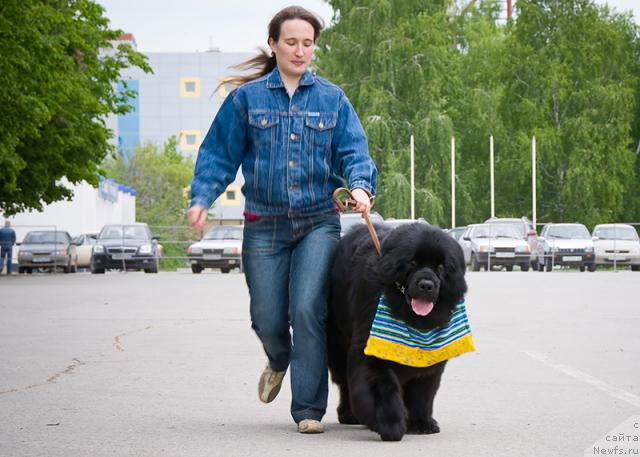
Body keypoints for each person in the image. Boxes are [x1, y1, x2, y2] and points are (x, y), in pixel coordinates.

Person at [187, 6, 377, 434]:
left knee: (308, 309)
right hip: (264, 224)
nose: (299, 50)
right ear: (273, 44)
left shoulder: (333, 99)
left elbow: (354, 152)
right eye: (290, 42)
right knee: (268, 317)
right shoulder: (247, 100)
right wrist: (202, 198)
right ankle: (277, 358)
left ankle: (308, 410)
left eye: (307, 43)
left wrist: (361, 186)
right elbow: (219, 155)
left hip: (317, 222)